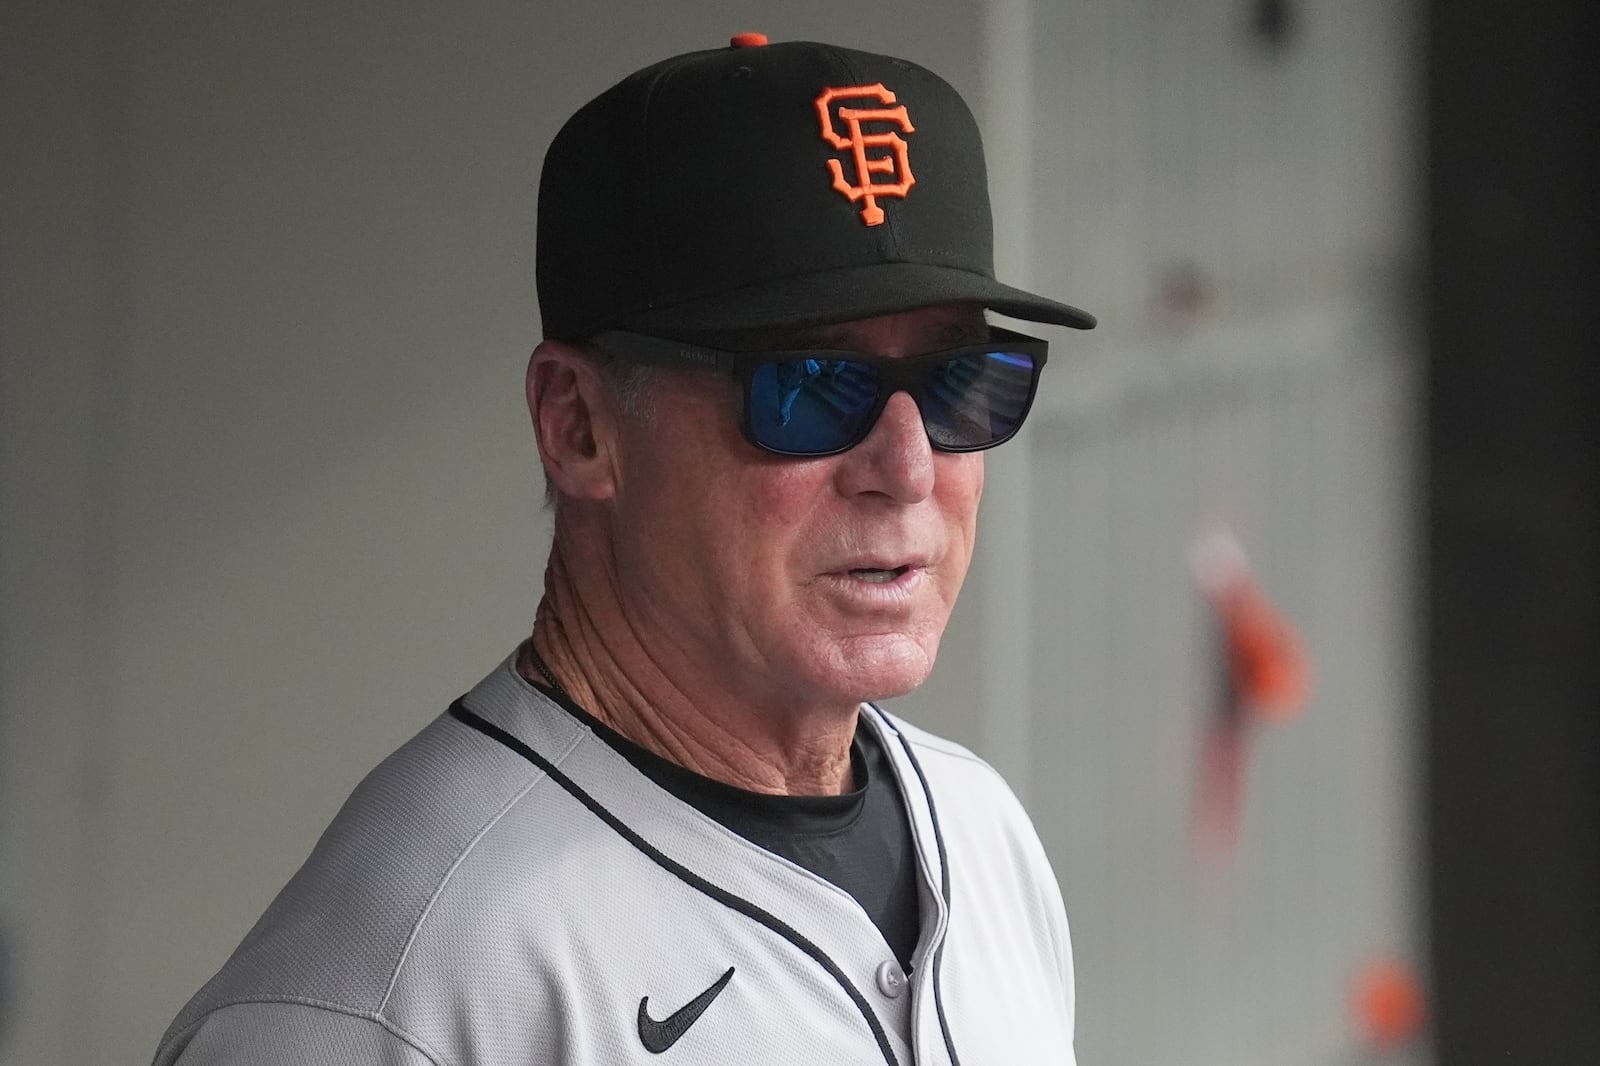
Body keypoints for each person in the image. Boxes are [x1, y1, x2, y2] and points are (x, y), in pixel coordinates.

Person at [153, 33, 1095, 1066]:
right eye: (811, 383)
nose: (908, 466)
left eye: (963, 379)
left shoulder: (980, 831)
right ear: (579, 426)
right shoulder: (397, 997)